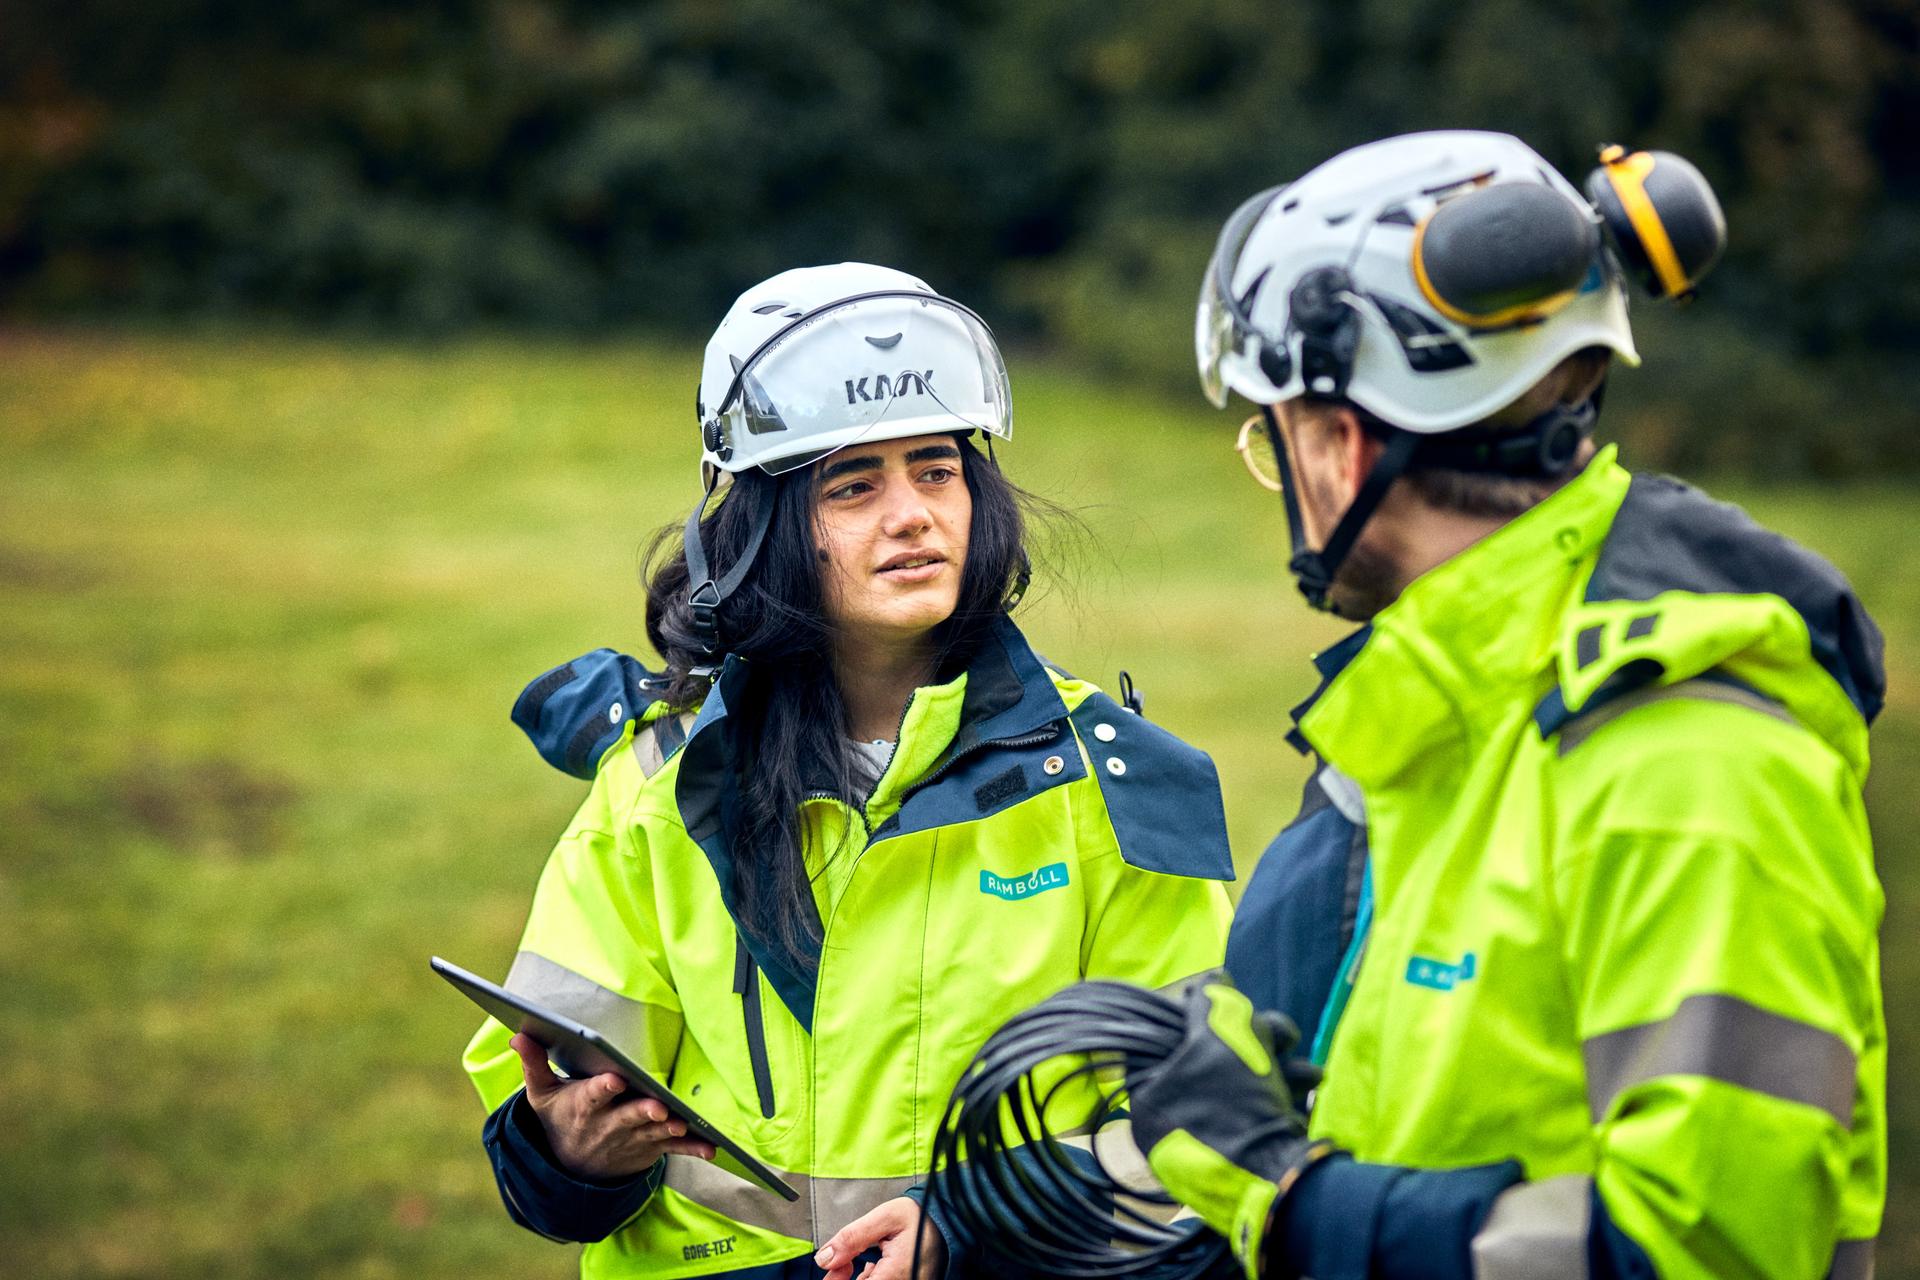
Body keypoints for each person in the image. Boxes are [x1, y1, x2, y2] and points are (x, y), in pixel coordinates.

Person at [1125, 132, 1886, 1279]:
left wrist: (1299, 1209)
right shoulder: (1445, 718)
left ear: (1339, 443)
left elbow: (1709, 1248)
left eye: (1272, 436)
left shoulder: (1687, 758)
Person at [460, 262, 1237, 1280]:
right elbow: (552, 1115)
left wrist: (982, 1225)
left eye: (936, 468)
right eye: (854, 484)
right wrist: (567, 1144)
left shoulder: (1114, 782)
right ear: (768, 525)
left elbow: (1207, 1118)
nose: (912, 512)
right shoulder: (657, 777)